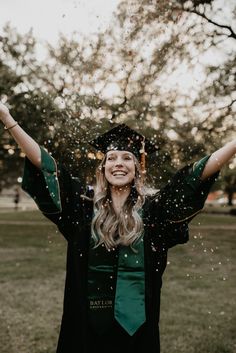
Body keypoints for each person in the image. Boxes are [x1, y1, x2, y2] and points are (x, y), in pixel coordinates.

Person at [0, 101, 235, 353]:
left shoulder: (154, 212)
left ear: (137, 168)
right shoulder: (83, 207)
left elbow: (193, 177)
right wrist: (7, 119)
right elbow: (45, 165)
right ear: (103, 168)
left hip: (137, 331)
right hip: (85, 328)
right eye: (111, 158)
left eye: (127, 158)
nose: (118, 163)